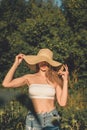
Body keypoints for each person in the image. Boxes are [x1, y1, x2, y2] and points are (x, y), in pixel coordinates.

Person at [2, 48, 69, 130]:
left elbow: (62, 103)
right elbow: (6, 83)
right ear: (37, 62)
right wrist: (16, 64)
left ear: (50, 64)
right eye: (41, 60)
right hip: (33, 118)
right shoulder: (29, 78)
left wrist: (65, 81)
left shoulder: (55, 80)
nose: (44, 63)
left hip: (52, 118)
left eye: (46, 61)